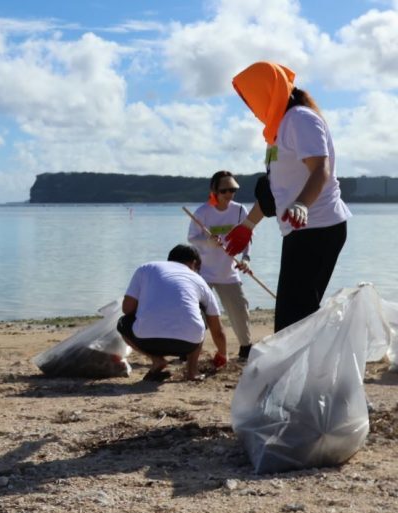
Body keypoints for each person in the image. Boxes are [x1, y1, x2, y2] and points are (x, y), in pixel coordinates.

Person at [224, 61, 351, 332]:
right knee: (292, 319)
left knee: (293, 320)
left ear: (266, 92)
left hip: (320, 227)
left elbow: (321, 169)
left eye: (250, 98)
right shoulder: (277, 131)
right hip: (300, 229)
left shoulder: (300, 119)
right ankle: (305, 371)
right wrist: (248, 225)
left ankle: (308, 372)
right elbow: (275, 191)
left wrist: (302, 204)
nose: (249, 106)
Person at [117, 244, 228, 382]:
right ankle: (192, 371)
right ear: (194, 263)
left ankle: (157, 360)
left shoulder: (146, 268)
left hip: (146, 341)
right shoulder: (199, 281)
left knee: (122, 322)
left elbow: (127, 309)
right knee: (199, 313)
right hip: (186, 344)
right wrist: (222, 355)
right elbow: (217, 330)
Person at [188, 170, 254, 362]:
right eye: (225, 190)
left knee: (240, 310)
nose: (229, 195)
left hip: (229, 272)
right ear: (214, 190)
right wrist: (208, 242)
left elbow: (247, 237)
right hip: (205, 273)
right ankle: (189, 349)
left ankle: (246, 348)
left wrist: (246, 259)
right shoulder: (202, 212)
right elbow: (192, 238)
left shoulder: (240, 210)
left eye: (233, 190)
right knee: (197, 313)